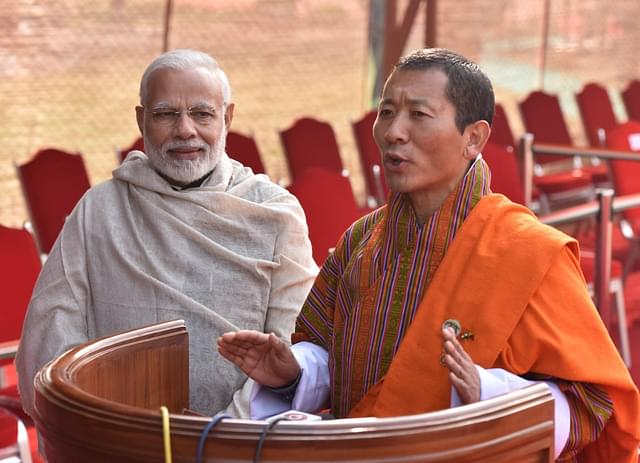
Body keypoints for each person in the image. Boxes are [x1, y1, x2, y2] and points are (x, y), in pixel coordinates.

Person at [218, 48, 640, 461]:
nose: (393, 132)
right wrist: (294, 372)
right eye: (386, 112)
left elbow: (592, 404)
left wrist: (490, 393)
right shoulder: (361, 241)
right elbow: (328, 353)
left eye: (418, 115)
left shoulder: (530, 252)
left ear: (473, 138)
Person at [16, 49, 318, 419]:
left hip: (240, 441)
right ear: (142, 120)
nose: (185, 130)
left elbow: (296, 347)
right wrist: (112, 429)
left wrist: (216, 435)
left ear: (227, 117)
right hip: (119, 440)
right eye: (166, 114)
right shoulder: (100, 210)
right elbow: (49, 345)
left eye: (202, 113)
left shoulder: (273, 214)